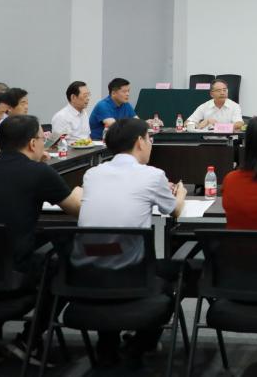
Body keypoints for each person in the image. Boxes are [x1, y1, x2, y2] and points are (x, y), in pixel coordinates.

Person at [0, 114, 82, 364]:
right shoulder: (39, 172)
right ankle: (29, 340)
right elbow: (77, 209)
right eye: (42, 138)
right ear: (32, 143)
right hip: (11, 274)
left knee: (7, 246)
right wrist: (80, 190)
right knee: (66, 263)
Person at [76, 117, 185, 367]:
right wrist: (180, 193)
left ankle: (108, 343)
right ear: (139, 142)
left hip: (87, 273)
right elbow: (174, 210)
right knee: (179, 273)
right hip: (133, 274)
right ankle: (140, 344)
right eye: (149, 138)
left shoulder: (92, 174)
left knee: (112, 251)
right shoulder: (153, 175)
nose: (150, 144)